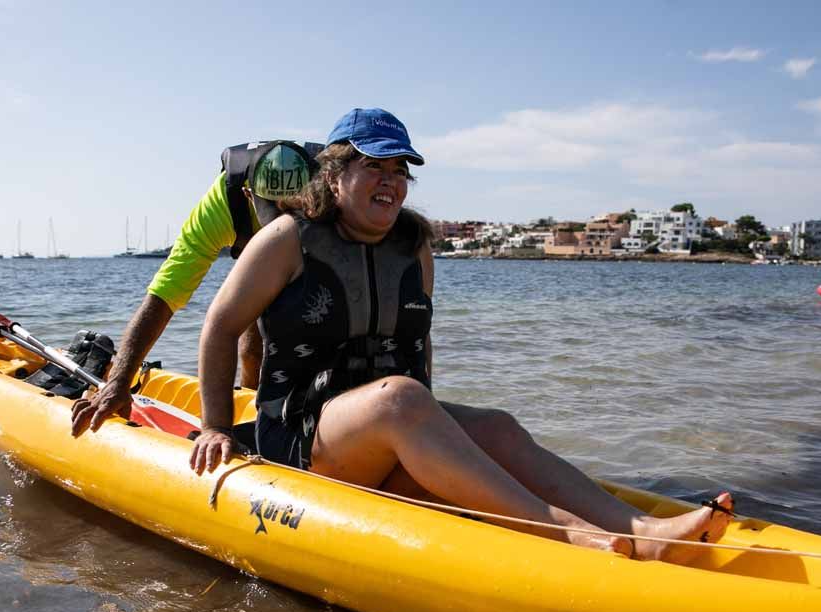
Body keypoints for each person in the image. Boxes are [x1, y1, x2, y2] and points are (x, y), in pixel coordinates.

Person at [189, 107, 733, 561]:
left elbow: (416, 344)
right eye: (375, 165)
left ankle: (644, 532)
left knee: (495, 426)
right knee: (402, 400)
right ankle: (568, 533)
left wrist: (433, 446)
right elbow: (220, 328)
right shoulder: (287, 238)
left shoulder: (414, 245)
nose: (392, 180)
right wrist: (215, 426)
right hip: (303, 432)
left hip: (381, 426)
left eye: (400, 169)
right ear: (334, 175)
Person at [70, 138, 323, 437]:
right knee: (252, 344)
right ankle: (254, 410)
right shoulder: (219, 209)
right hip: (257, 240)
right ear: (248, 195)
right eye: (271, 211)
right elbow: (163, 297)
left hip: (317, 247)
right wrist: (119, 382)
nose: (279, 224)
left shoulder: (333, 197)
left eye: (289, 211)